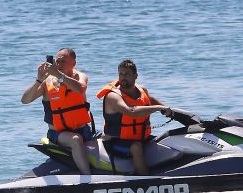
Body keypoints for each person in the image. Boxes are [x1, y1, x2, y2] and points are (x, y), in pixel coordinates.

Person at [21, 47, 93, 175]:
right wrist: (38, 79)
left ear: (73, 63)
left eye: (63, 61)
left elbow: (80, 89)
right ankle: (87, 178)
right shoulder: (47, 82)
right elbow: (25, 100)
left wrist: (60, 75)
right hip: (58, 133)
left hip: (83, 129)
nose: (59, 65)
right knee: (76, 139)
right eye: (57, 61)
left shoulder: (80, 76)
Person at [97, 59, 170, 176]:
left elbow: (151, 101)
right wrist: (158, 108)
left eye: (127, 74)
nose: (123, 77)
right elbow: (131, 111)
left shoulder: (142, 91)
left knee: (166, 140)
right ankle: (145, 180)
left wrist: (168, 109)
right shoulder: (113, 96)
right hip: (115, 141)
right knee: (136, 147)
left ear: (135, 76)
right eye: (121, 74)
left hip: (140, 137)